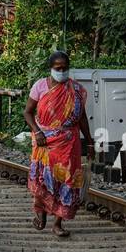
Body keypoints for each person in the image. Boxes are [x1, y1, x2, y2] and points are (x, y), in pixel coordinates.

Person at [24, 51, 93, 238]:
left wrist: (89, 141)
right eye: (58, 68)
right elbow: (28, 112)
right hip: (44, 142)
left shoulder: (76, 90)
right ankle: (42, 211)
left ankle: (58, 223)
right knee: (43, 178)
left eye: (64, 68)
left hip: (69, 143)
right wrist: (37, 131)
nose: (61, 71)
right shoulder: (40, 86)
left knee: (68, 181)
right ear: (51, 68)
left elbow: (82, 118)